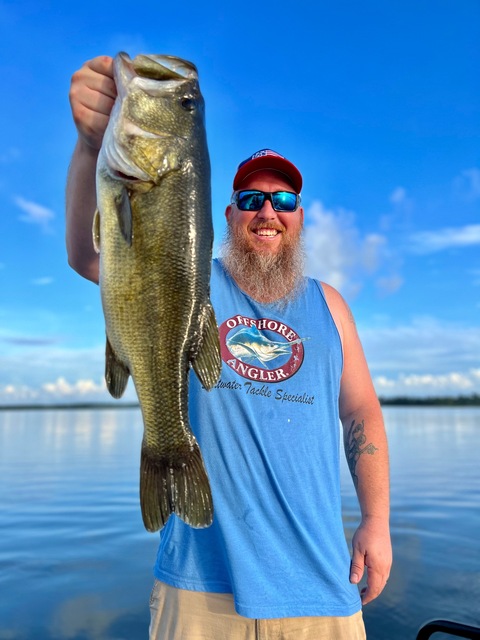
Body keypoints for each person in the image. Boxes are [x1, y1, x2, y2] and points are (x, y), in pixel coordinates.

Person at [66, 56, 392, 640]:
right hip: (198, 588)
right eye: (251, 200)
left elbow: (361, 412)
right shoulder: (192, 277)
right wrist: (92, 146)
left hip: (322, 584)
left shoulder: (331, 306)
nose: (268, 212)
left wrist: (377, 521)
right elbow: (88, 257)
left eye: (283, 201)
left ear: (299, 218)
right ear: (228, 215)